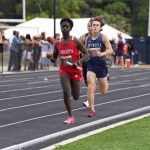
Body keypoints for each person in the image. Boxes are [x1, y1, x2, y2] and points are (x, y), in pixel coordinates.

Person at [47, 18, 89, 124]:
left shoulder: (75, 40)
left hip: (75, 70)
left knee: (76, 96)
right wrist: (50, 57)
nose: (65, 28)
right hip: (64, 70)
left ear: (70, 28)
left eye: (67, 26)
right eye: (63, 26)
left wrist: (78, 62)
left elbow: (87, 54)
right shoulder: (57, 43)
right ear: (60, 27)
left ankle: (79, 80)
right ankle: (70, 116)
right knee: (66, 91)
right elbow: (54, 60)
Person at [85, 16, 113, 117]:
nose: (95, 27)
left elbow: (110, 50)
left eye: (97, 25)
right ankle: (92, 109)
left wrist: (102, 53)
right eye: (93, 25)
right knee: (90, 86)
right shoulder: (88, 39)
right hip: (91, 65)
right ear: (91, 27)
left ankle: (106, 77)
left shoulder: (103, 37)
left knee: (103, 91)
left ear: (100, 27)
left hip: (101, 65)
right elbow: (85, 51)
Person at [79, 18, 96, 108]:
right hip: (85, 62)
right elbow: (76, 46)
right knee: (87, 83)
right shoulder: (83, 37)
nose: (90, 28)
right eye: (89, 26)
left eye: (92, 26)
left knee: (91, 82)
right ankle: (90, 99)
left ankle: (89, 101)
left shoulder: (98, 37)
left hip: (94, 62)